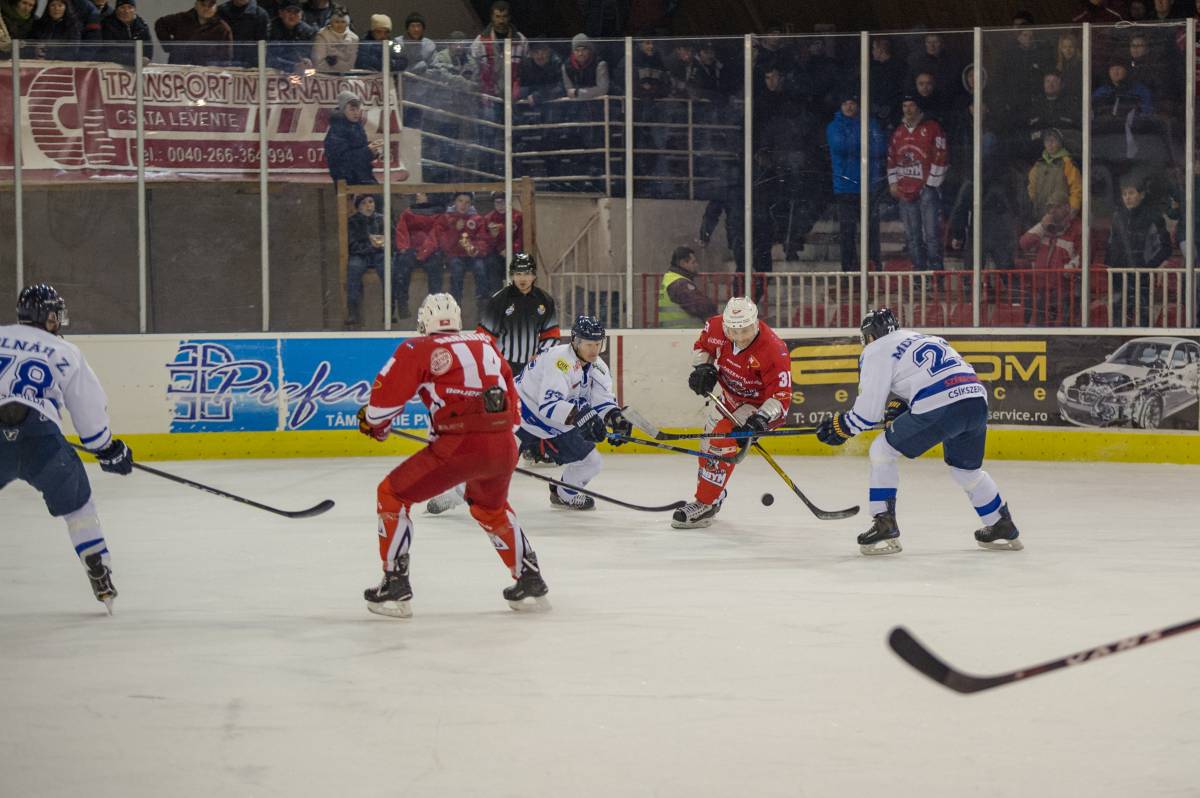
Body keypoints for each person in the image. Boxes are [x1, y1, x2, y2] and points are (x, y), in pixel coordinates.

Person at [356, 293, 548, 616]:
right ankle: (529, 578)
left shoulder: (417, 348)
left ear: (423, 323)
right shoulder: (485, 343)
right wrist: (498, 441)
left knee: (392, 494)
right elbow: (511, 398)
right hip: (504, 444)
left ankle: (395, 584)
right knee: (491, 509)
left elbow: (381, 406)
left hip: (459, 446)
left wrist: (375, 425)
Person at [815, 308, 1021, 556]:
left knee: (881, 450)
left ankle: (884, 522)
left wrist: (842, 427)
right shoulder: (923, 338)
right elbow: (927, 377)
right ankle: (1000, 523)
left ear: (870, 335)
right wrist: (900, 407)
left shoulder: (876, 349)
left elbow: (867, 414)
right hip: (975, 401)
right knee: (966, 470)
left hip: (941, 403)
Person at [0, 284, 133, 612]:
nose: (58, 319)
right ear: (45, 315)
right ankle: (97, 566)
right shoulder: (64, 351)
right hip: (41, 438)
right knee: (78, 507)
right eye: (54, 313)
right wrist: (105, 447)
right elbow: (87, 405)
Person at [676, 297, 791, 529]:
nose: (740, 337)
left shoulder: (773, 349)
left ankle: (705, 503)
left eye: (745, 330)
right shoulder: (715, 326)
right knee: (707, 444)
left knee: (721, 440)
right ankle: (714, 494)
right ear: (725, 325)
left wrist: (760, 419)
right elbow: (703, 347)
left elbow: (780, 396)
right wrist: (703, 367)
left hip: (758, 406)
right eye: (734, 331)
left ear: (755, 323)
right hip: (728, 398)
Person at [515, 315, 630, 510]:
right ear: (576, 342)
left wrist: (614, 416)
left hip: (554, 424)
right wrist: (582, 417)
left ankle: (563, 495)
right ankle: (459, 494)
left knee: (592, 462)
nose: (594, 350)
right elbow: (549, 405)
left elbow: (602, 400)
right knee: (493, 466)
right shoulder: (560, 361)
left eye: (598, 344)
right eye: (589, 345)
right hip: (521, 417)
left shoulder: (598, 367)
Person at [887, 95, 948, 272]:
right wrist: (893, 182)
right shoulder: (898, 132)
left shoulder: (932, 128)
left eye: (911, 105)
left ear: (918, 107)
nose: (908, 109)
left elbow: (941, 155)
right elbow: (891, 158)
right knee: (912, 236)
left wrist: (931, 184)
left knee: (931, 234)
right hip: (905, 191)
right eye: (904, 106)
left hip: (926, 190)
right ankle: (919, 274)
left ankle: (936, 274)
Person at [827, 92, 886, 272]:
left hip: (868, 186)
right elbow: (840, 146)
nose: (849, 106)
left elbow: (880, 148)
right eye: (845, 103)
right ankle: (848, 270)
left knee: (871, 231)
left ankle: (874, 266)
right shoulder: (834, 126)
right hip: (845, 187)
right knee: (847, 231)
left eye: (852, 103)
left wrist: (856, 145)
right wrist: (864, 143)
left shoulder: (870, 123)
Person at [477, 252, 560, 377]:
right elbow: (484, 336)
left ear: (534, 275)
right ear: (512, 275)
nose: (522, 278)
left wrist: (541, 355)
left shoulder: (545, 300)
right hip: (503, 366)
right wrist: (492, 362)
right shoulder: (499, 300)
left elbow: (551, 334)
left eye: (527, 274)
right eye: (518, 274)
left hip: (533, 366)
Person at [344, 194, 398, 326]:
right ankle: (353, 312)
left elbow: (394, 240)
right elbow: (352, 245)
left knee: (388, 270)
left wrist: (384, 244)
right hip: (361, 254)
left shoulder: (382, 219)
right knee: (353, 270)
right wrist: (370, 246)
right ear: (358, 207)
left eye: (371, 202)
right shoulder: (352, 221)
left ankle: (389, 312)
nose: (368, 206)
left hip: (380, 254)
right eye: (364, 203)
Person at [438, 191, 490, 306]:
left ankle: (483, 304)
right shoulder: (446, 218)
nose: (463, 205)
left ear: (471, 204)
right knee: (456, 269)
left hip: (473, 257)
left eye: (467, 202)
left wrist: (475, 249)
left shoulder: (477, 219)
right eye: (460, 201)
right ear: (454, 202)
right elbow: (444, 244)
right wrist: (455, 230)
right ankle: (455, 304)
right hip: (454, 256)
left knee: (480, 268)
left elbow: (483, 241)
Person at [323, 90, 380, 187]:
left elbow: (358, 152)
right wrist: (368, 151)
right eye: (352, 110)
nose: (356, 113)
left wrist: (373, 152)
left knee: (383, 195)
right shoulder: (337, 131)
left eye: (358, 109)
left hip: (362, 177)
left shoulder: (356, 126)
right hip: (348, 180)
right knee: (382, 195)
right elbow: (342, 161)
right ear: (343, 111)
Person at [154, 0, 233, 66]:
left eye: (210, 5)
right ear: (196, 5)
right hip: (178, 69)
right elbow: (160, 24)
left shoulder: (222, 29)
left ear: (215, 8)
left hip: (205, 73)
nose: (206, 8)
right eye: (203, 4)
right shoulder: (181, 19)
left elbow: (225, 59)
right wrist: (169, 46)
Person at [658, 246, 716, 328]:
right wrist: (711, 305)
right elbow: (702, 307)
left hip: (676, 331)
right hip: (684, 332)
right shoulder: (680, 283)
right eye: (693, 262)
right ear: (683, 263)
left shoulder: (671, 278)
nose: (696, 265)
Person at [266, 0, 315, 73]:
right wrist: (292, 66)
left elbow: (308, 55)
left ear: (301, 14)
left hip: (299, 72)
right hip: (275, 71)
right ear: (280, 13)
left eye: (296, 12)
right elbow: (270, 58)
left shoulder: (308, 31)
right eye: (289, 11)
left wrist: (307, 61)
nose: (292, 16)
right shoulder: (270, 29)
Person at [99, 0, 151, 66]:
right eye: (122, 7)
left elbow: (148, 49)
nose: (126, 11)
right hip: (112, 66)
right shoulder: (107, 24)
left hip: (138, 66)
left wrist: (144, 59)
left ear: (135, 10)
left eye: (130, 7)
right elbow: (110, 51)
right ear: (116, 10)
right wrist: (133, 60)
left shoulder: (142, 25)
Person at [218, 0, 269, 66]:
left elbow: (263, 44)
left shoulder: (260, 14)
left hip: (249, 64)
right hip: (223, 62)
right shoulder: (221, 10)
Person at [311, 5, 355, 73]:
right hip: (324, 75)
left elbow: (350, 65)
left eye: (343, 22)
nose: (340, 25)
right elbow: (318, 63)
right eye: (337, 22)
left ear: (347, 23)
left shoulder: (354, 38)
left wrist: (335, 62)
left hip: (345, 75)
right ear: (331, 22)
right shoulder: (322, 35)